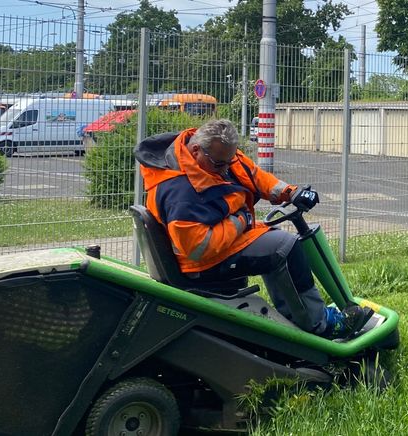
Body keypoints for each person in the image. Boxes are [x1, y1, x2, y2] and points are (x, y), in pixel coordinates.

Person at [135, 119, 372, 338]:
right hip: (200, 264)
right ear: (197, 151)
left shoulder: (214, 156)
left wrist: (291, 192)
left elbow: (252, 174)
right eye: (220, 165)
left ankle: (297, 316)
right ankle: (321, 326)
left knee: (273, 241)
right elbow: (198, 248)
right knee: (284, 248)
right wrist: (240, 221)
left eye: (229, 162)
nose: (225, 170)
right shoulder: (180, 192)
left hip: (223, 241)